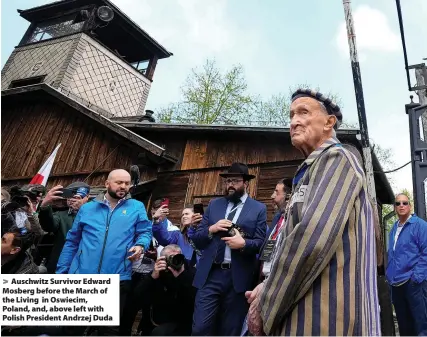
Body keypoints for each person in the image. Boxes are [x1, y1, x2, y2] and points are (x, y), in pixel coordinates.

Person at [248, 88, 381, 336]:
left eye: (303, 112)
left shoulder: (337, 158)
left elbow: (310, 240)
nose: (294, 121)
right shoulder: (310, 170)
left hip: (327, 320)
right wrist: (266, 285)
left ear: (329, 122)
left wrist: (266, 303)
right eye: (291, 115)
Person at [56, 169, 152, 335]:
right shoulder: (87, 209)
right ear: (107, 184)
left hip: (117, 278)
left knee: (108, 330)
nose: (123, 186)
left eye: (127, 183)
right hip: (82, 277)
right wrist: (61, 272)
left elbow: (145, 231)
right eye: (119, 182)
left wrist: (141, 245)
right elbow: (72, 242)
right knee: (72, 328)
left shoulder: (137, 207)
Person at [191, 162, 267, 336]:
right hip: (211, 275)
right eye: (228, 181)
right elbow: (198, 239)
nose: (230, 184)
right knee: (200, 328)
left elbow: (261, 243)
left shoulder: (258, 209)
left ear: (246, 183)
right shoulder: (214, 205)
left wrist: (244, 244)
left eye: (235, 181)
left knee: (230, 330)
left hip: (238, 278)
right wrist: (212, 229)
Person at [386, 193, 427, 336]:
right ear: (394, 207)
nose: (401, 206)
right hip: (396, 284)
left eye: (404, 203)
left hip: (413, 282)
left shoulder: (420, 226)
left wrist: (417, 277)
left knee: (420, 324)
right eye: (398, 203)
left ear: (409, 206)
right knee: (404, 326)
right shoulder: (393, 229)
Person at [38, 182, 90, 273]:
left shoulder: (95, 215)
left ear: (87, 198)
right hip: (60, 264)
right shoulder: (60, 215)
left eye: (77, 197)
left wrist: (82, 210)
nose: (72, 200)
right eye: (70, 197)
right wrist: (45, 205)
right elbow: (48, 226)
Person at [145, 244, 197, 336]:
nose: (174, 261)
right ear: (163, 260)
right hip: (160, 323)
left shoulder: (191, 272)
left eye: (177, 257)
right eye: (170, 258)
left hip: (186, 324)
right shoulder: (158, 274)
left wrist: (182, 276)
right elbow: (137, 299)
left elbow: (195, 300)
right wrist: (152, 277)